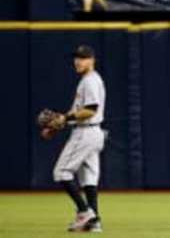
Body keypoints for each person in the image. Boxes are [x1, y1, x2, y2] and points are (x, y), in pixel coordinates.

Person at [52, 45, 106, 232]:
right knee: (88, 179)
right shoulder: (91, 79)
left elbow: (90, 110)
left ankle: (85, 212)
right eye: (76, 57)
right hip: (93, 132)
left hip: (85, 133)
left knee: (61, 173)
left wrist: (65, 118)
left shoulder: (89, 81)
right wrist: (61, 123)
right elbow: (80, 110)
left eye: (83, 58)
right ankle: (94, 222)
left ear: (92, 60)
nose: (78, 61)